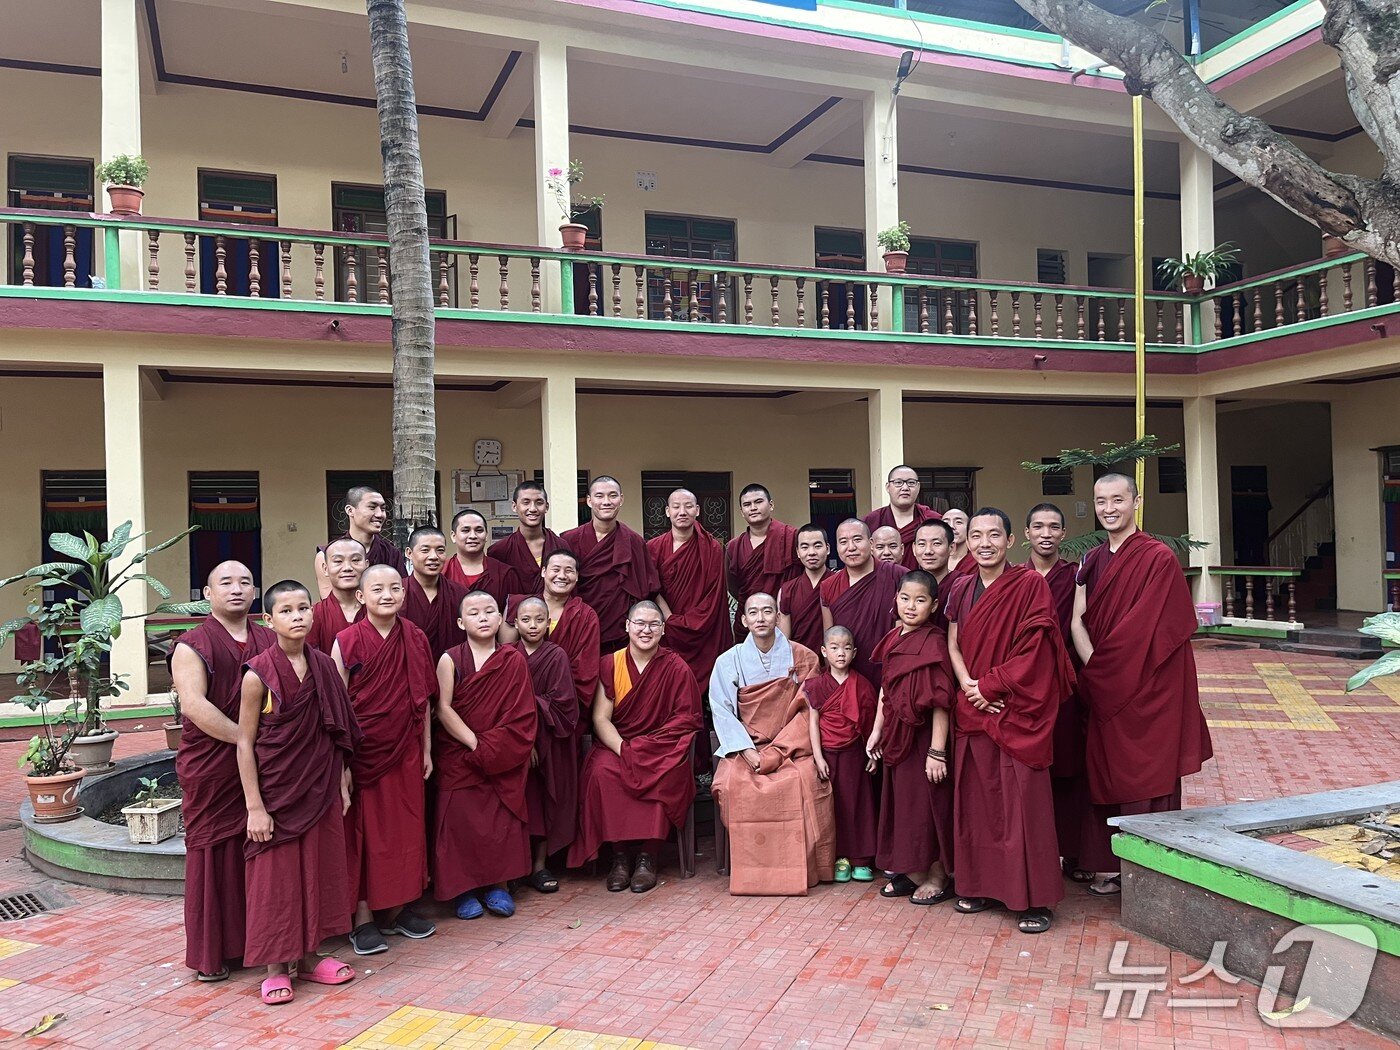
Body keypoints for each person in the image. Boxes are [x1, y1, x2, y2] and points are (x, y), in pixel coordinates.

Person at [1071, 474, 1214, 897]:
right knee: (1104, 769)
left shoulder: (1157, 558)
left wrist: (1107, 671)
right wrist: (1099, 670)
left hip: (1147, 687)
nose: (1109, 508)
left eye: (1118, 499)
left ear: (1136, 501)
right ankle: (1107, 862)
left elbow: (1152, 631)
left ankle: (1148, 865)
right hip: (1106, 680)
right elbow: (1077, 619)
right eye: (1101, 501)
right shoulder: (1093, 560)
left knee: (1147, 772)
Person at [945, 508, 1075, 935]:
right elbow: (953, 640)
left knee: (1023, 805)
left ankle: (1034, 898)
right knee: (977, 804)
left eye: (994, 535)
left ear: (1010, 539)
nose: (984, 543)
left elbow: (1037, 648)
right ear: (967, 541)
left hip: (1015, 709)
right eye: (977, 535)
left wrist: (992, 686)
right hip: (972, 705)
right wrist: (968, 684)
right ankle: (980, 885)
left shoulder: (1029, 585)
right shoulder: (962, 587)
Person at [236, 580, 360, 1005]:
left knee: (317, 870)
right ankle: (275, 966)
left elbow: (337, 730)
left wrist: (342, 782)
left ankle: (308, 957)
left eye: (303, 608)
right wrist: (255, 807)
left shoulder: (325, 666)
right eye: (286, 611)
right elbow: (244, 743)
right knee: (277, 880)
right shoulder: (258, 675)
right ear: (269, 621)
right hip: (276, 792)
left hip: (320, 785)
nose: (298, 617)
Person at [171, 561, 276, 983]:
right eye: (226, 583)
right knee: (214, 855)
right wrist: (246, 742)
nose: (237, 590)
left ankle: (262, 942)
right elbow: (194, 705)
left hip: (266, 764)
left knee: (262, 853)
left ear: (255, 592)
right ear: (207, 592)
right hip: (213, 765)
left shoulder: (270, 638)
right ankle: (213, 953)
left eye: (245, 582)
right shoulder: (192, 644)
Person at [331, 564, 437, 955]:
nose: (388, 595)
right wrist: (341, 765)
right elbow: (337, 710)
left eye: (395, 587)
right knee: (364, 834)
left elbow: (423, 699)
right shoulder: (345, 641)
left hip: (406, 751)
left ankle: (397, 909)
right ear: (361, 596)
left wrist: (426, 749)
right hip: (363, 755)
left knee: (405, 832)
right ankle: (362, 919)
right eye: (377, 589)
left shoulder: (416, 638)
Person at [568, 601, 702, 892]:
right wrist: (624, 749)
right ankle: (619, 857)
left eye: (654, 624)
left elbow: (686, 719)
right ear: (627, 626)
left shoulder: (675, 666)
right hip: (619, 744)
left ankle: (647, 856)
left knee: (664, 774)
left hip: (659, 747)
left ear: (663, 630)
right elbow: (600, 718)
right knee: (602, 772)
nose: (646, 630)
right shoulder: (611, 663)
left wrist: (646, 748)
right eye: (639, 623)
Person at [708, 593, 836, 895]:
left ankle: (804, 869)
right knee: (729, 784)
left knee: (808, 781)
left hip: (792, 746)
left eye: (768, 611)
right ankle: (751, 872)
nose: (761, 618)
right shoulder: (729, 660)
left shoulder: (803, 657)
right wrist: (748, 751)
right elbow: (722, 709)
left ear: (778, 616)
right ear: (744, 620)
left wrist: (779, 752)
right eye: (753, 613)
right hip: (747, 746)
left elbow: (809, 711)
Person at [433, 591, 537, 919]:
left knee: (499, 820)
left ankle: (499, 885)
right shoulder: (450, 658)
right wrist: (476, 745)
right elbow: (443, 708)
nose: (483, 617)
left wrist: (495, 748)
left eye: (489, 611)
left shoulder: (512, 659)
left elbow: (522, 713)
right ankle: (462, 890)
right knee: (458, 820)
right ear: (461, 622)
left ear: (499, 620)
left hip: (503, 753)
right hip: (460, 751)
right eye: (474, 612)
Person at [867, 570, 955, 906]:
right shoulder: (893, 638)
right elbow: (886, 689)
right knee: (903, 806)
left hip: (922, 741)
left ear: (933, 605)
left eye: (920, 600)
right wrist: (876, 730)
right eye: (905, 598)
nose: (911, 606)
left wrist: (937, 751)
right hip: (895, 735)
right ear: (896, 600)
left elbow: (941, 702)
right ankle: (910, 868)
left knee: (926, 806)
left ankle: (936, 875)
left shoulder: (933, 643)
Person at [1025, 503, 1092, 882]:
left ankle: (1072, 850)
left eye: (1053, 526)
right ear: (1027, 534)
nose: (1046, 533)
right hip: (1026, 687)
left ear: (1063, 534)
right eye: (1039, 527)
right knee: (1033, 769)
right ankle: (1038, 852)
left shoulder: (1075, 576)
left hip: (1066, 682)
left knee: (1068, 767)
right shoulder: (1015, 577)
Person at [511, 596, 579, 894]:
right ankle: (514, 866)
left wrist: (532, 707)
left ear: (548, 623)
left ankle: (539, 865)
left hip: (550, 743)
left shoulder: (556, 655)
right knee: (519, 802)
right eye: (526, 619)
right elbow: (502, 706)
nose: (533, 625)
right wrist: (523, 743)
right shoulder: (507, 655)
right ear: (515, 623)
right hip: (516, 745)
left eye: (540, 619)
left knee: (544, 801)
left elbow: (564, 703)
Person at [805, 625, 879, 883]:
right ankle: (839, 857)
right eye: (834, 648)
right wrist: (818, 756)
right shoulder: (815, 685)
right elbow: (813, 723)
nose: (841, 653)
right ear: (824, 651)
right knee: (832, 806)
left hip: (854, 755)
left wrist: (871, 755)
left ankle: (861, 858)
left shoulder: (863, 685)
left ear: (854, 652)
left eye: (847, 648)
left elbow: (869, 725)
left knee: (858, 804)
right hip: (828, 754)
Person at [503, 550, 601, 725]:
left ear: (577, 576)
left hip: (561, 709)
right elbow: (506, 657)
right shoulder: (520, 607)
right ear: (543, 572)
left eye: (569, 571)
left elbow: (586, 671)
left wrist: (558, 704)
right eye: (555, 569)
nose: (562, 576)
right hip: (515, 706)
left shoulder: (585, 615)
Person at [562, 476, 659, 652]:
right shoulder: (569, 540)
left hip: (621, 635)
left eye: (612, 496)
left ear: (621, 499)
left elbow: (647, 589)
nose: (606, 502)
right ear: (589, 501)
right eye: (599, 496)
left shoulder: (634, 542)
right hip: (580, 629)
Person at [648, 488, 730, 689]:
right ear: (667, 511)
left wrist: (690, 623)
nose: (682, 512)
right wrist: (670, 620)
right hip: (666, 629)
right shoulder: (653, 547)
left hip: (703, 630)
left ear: (698, 510)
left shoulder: (712, 549)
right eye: (676, 507)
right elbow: (651, 589)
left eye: (688, 506)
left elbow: (714, 594)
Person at [820, 519, 907, 685]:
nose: (851, 547)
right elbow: (829, 637)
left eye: (857, 539)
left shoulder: (898, 576)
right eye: (843, 542)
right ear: (836, 547)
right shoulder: (829, 586)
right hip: (849, 679)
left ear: (871, 543)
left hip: (892, 672)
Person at [726, 484, 800, 642]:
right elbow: (733, 586)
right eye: (747, 504)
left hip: (785, 615)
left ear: (771, 505)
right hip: (749, 619)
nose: (753, 508)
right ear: (741, 512)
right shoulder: (734, 546)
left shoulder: (791, 537)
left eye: (758, 502)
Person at [315, 487, 403, 598]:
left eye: (383, 509)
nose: (380, 514)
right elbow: (331, 605)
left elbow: (399, 596)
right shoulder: (326, 555)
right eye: (372, 507)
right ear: (350, 510)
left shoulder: (391, 553)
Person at [399, 526, 468, 660]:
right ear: (409, 553)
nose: (434, 557)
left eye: (440, 550)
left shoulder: (460, 594)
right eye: (425, 550)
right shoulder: (396, 592)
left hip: (450, 672)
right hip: (406, 671)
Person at [489, 480, 564, 593]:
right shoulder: (500, 550)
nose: (533, 508)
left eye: (539, 502)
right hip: (515, 610)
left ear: (546, 507)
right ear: (514, 506)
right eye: (526, 502)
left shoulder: (561, 546)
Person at [862, 466, 940, 569]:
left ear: (918, 487)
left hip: (923, 581)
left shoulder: (933, 520)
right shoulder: (871, 521)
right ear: (887, 487)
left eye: (911, 483)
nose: (905, 488)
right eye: (898, 482)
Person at [443, 509, 520, 608]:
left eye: (479, 530)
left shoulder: (504, 574)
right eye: (465, 530)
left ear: (486, 535)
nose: (473, 536)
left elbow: (512, 614)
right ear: (453, 536)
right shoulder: (442, 571)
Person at [778, 524, 834, 652]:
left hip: (835, 664)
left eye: (818, 546)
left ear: (828, 548)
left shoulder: (839, 583)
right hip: (799, 663)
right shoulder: (787, 590)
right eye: (805, 547)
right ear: (798, 552)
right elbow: (785, 640)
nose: (811, 552)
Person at [307, 538, 367, 654]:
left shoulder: (378, 610)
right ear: (325, 568)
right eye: (338, 561)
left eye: (355, 560)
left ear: (366, 564)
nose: (347, 568)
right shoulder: (315, 614)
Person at [911, 519, 956, 631]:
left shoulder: (962, 585)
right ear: (913, 548)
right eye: (921, 544)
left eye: (936, 543)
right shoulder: (908, 584)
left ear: (952, 547)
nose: (928, 551)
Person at [943, 509, 975, 577]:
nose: (951, 526)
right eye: (946, 523)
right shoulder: (934, 559)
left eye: (958, 522)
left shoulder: (976, 560)